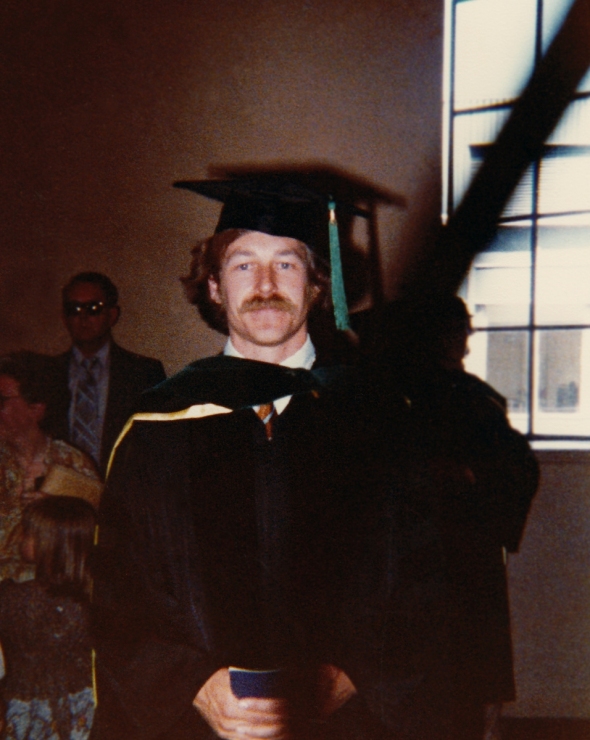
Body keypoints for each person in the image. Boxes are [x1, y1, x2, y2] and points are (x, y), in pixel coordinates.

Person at [91, 177, 446, 740]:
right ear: (213, 287)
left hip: (346, 721)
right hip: (200, 724)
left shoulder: (380, 421)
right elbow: (119, 589)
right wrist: (191, 686)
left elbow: (428, 577)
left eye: (286, 264)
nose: (265, 285)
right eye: (242, 265)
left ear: (316, 285)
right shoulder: (158, 427)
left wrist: (357, 672)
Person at [380, 295, 539, 740]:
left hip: (470, 551)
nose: (465, 339)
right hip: (420, 553)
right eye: (457, 330)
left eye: (465, 329)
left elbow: (513, 467)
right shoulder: (396, 394)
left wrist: (477, 477)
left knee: (470, 670)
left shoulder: (474, 396)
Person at [44, 272, 166, 476]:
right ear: (64, 318)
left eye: (93, 308)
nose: (83, 317)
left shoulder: (143, 373)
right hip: (58, 489)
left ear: (112, 315)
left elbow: (158, 446)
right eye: (74, 309)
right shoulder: (47, 373)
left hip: (122, 489)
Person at [0, 496, 97, 740]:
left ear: (49, 543)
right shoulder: (93, 598)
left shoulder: (13, 597)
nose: (20, 537)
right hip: (83, 708)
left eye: (28, 533)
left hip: (28, 708)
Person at [0, 354, 101, 583]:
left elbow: (98, 539)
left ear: (36, 409)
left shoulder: (73, 464)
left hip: (52, 592)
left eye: (1, 401)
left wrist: (57, 514)